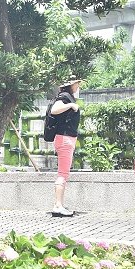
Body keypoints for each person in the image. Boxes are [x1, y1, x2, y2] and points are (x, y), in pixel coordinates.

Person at [50, 79, 83, 217]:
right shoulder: (64, 97)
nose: (78, 86)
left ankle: (59, 204)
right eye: (77, 83)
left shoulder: (66, 96)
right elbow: (54, 109)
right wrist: (70, 105)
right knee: (62, 174)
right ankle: (58, 205)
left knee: (64, 173)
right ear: (70, 85)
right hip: (65, 139)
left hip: (66, 139)